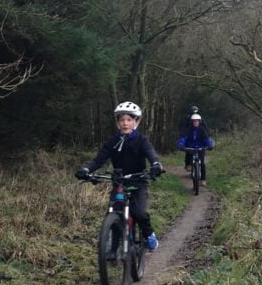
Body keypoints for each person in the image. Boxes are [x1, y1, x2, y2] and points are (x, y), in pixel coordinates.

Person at [75, 101, 164, 250]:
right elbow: (99, 160)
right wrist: (86, 169)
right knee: (113, 212)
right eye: (122, 120)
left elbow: (151, 154)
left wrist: (156, 165)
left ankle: (149, 234)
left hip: (138, 181)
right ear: (117, 123)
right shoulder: (112, 142)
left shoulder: (141, 141)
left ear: (136, 122)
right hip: (119, 182)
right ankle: (112, 249)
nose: (125, 123)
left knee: (138, 213)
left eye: (129, 120)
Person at [178, 112, 214, 185]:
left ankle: (203, 179)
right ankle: (191, 168)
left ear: (199, 121)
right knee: (191, 161)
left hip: (201, 148)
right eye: (194, 121)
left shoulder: (202, 130)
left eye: (197, 121)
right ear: (192, 122)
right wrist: (181, 145)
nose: (196, 122)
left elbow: (207, 139)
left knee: (202, 163)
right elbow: (183, 138)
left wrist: (210, 145)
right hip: (191, 148)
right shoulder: (188, 129)